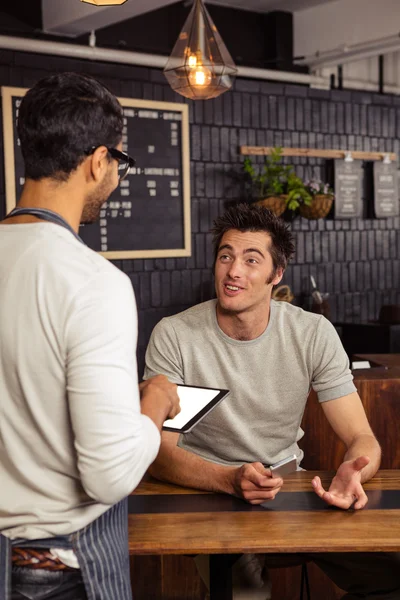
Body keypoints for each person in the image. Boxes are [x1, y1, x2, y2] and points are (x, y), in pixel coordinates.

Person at [144, 203, 400, 599]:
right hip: (205, 492)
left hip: (289, 488)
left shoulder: (312, 332)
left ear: (276, 274)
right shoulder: (175, 335)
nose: (233, 270)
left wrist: (354, 471)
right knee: (247, 592)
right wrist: (228, 480)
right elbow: (158, 453)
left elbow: (362, 438)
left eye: (251, 259)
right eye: (226, 256)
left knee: (389, 574)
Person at [0, 72, 180, 600]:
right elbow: (108, 474)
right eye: (119, 163)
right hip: (55, 568)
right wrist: (154, 404)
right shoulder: (94, 282)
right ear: (98, 161)